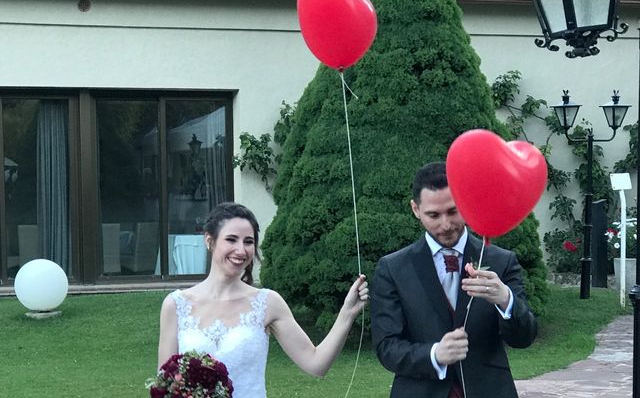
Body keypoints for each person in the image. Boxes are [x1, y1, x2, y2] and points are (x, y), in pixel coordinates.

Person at [157, 202, 368, 398]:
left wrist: (347, 313)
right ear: (209, 241)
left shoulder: (268, 303)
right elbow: (165, 384)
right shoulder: (176, 305)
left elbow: (316, 363)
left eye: (248, 242)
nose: (241, 250)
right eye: (231, 239)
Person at [370, 162, 537, 398]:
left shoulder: (502, 261)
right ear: (416, 209)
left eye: (452, 211)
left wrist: (505, 300)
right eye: (433, 215)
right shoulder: (393, 268)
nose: (446, 225)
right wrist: (434, 354)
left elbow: (524, 338)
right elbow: (386, 347)